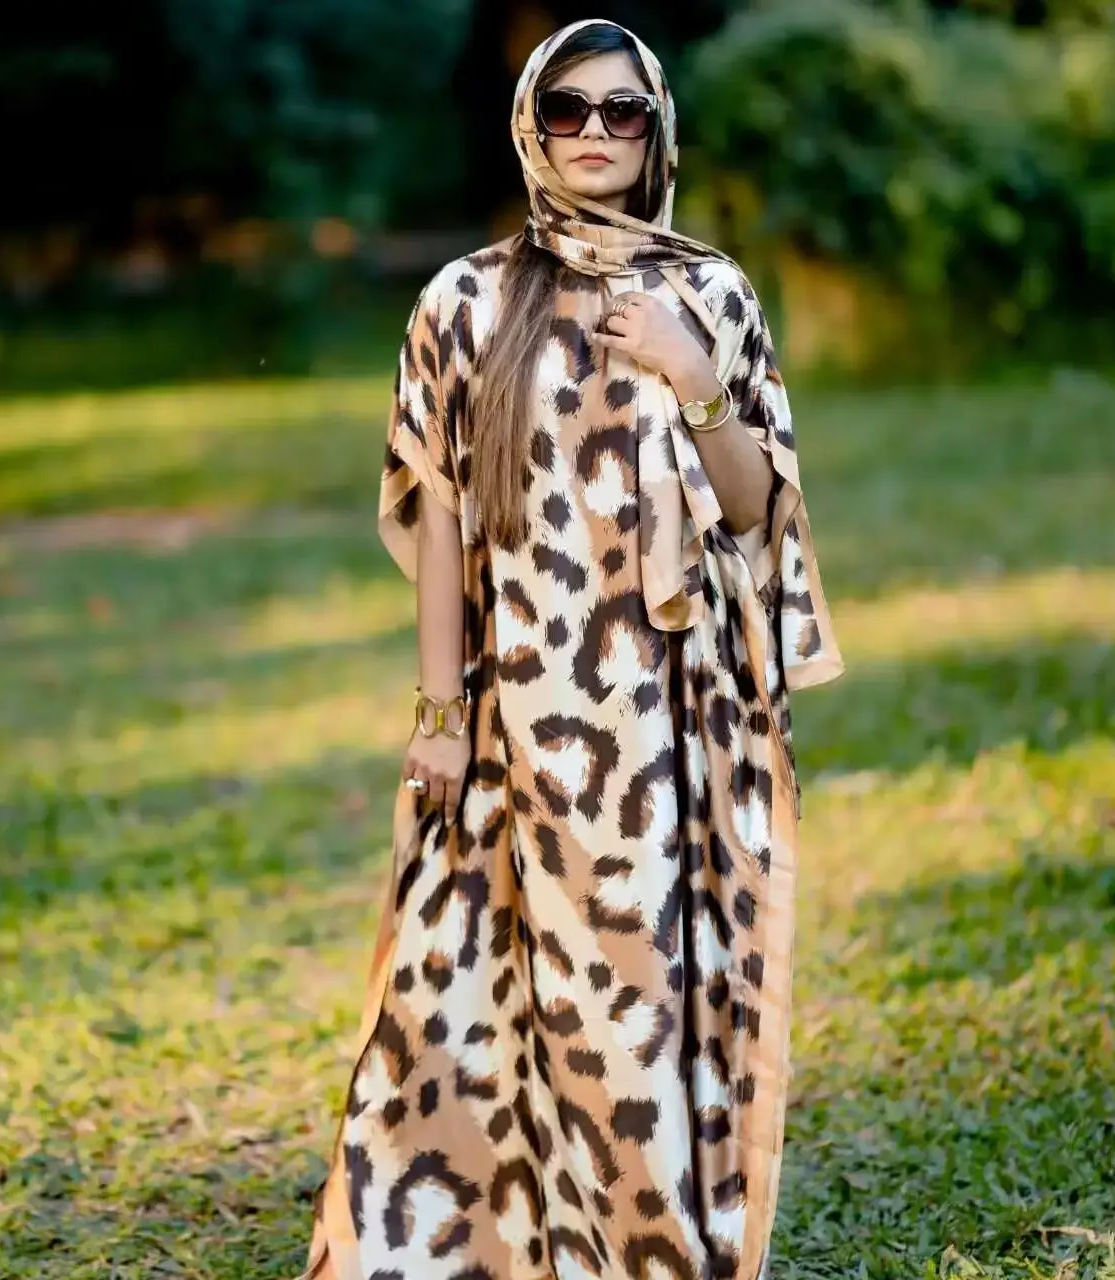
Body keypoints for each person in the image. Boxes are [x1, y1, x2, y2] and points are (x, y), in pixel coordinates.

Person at [296, 18, 844, 1280]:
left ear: (656, 134)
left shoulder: (711, 294)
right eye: (566, 109)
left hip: (676, 719)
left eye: (621, 111)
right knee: (475, 986)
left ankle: (646, 1246)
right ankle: (465, 1240)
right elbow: (440, 520)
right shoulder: (463, 302)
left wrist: (693, 376)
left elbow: (756, 512)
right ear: (528, 128)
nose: (593, 132)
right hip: (515, 713)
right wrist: (440, 713)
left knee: (643, 999)